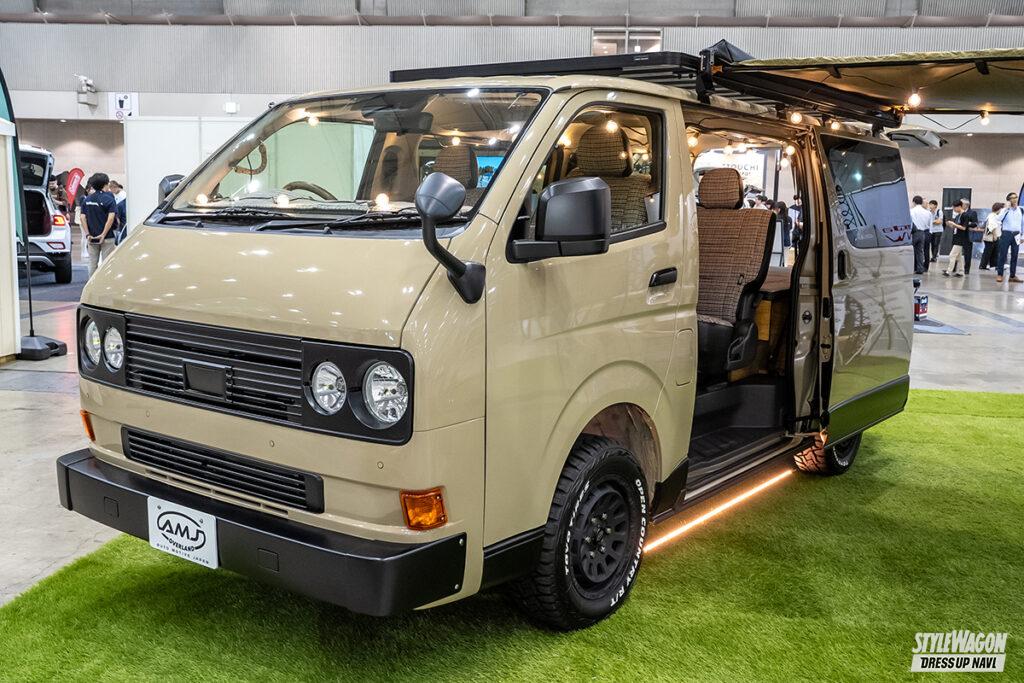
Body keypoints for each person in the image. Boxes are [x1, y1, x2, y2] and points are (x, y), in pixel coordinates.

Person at [81, 173, 118, 278]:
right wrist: (103, 234)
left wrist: (87, 234)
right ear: (106, 184)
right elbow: (111, 218)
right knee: (107, 264)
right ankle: (105, 284)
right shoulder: (109, 199)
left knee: (92, 263)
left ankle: (91, 284)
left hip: (92, 237)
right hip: (107, 237)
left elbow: (82, 218)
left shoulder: (87, 200)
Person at [995, 191, 1023, 283]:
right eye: (1012, 198)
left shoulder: (1021, 210)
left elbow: (1022, 224)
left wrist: (1023, 236)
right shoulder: (1005, 210)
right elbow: (998, 219)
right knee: (1003, 254)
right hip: (1006, 233)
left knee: (1015, 255)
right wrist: (1006, 209)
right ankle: (1000, 274)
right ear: (1009, 200)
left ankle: (1012, 275)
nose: (1014, 199)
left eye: (1016, 197)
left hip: (1017, 234)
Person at [943, 200, 970, 277]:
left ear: (959, 207)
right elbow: (956, 227)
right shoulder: (958, 216)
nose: (954, 209)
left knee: (952, 255)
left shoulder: (965, 215)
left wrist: (954, 224)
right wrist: (950, 224)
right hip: (956, 237)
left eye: (954, 208)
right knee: (959, 257)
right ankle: (961, 272)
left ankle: (949, 271)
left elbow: (964, 228)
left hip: (961, 238)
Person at [909, 195, 932, 274]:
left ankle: (912, 268)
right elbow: (928, 224)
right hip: (922, 233)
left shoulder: (911, 211)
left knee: (911, 251)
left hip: (914, 233)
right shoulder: (927, 213)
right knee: (920, 252)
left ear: (914, 202)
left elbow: (910, 223)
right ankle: (920, 269)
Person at [979, 202, 1004, 270]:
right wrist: (995, 235)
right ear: (998, 209)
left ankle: (993, 265)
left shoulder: (994, 216)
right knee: (988, 252)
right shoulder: (992, 216)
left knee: (994, 252)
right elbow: (992, 226)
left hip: (994, 237)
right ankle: (983, 265)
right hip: (991, 237)